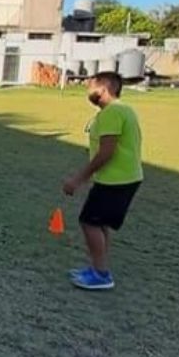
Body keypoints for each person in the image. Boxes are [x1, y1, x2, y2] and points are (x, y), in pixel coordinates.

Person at [62, 72, 143, 291]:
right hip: (124, 177)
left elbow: (107, 152)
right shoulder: (124, 110)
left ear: (104, 90)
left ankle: (101, 274)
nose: (88, 92)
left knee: (89, 221)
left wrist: (79, 178)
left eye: (91, 88)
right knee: (99, 223)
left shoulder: (112, 112)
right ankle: (98, 267)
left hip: (116, 179)